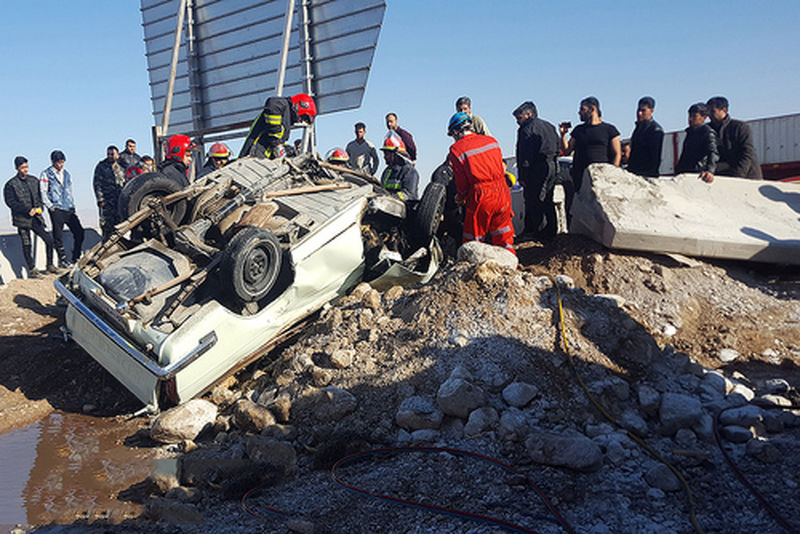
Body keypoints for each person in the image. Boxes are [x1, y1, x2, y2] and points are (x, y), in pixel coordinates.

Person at [447, 112, 514, 254]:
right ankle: (510, 269)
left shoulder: (456, 149)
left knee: (473, 242)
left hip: (481, 195)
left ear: (455, 131)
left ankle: (472, 273)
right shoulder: (492, 141)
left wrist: (461, 197)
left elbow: (462, 181)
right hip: (502, 193)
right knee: (504, 236)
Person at [4, 157, 58, 278]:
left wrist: (39, 208)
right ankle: (32, 269)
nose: (25, 170)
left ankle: (50, 265)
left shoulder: (34, 181)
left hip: (36, 218)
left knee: (49, 240)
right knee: (27, 244)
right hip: (22, 219)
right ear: (17, 168)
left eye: (26, 167)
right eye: (22, 168)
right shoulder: (11, 185)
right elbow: (11, 202)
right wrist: (27, 210)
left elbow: (40, 197)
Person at [512, 101, 559, 239]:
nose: (518, 122)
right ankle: (551, 231)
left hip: (536, 169)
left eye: (519, 118)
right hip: (552, 166)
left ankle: (538, 233)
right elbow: (558, 146)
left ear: (528, 114)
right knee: (548, 200)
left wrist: (523, 176)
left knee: (535, 200)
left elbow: (525, 154)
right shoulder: (549, 126)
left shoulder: (526, 129)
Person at [560, 96, 622, 194]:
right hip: (580, 177)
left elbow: (617, 154)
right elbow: (567, 151)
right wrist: (563, 135)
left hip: (601, 177)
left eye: (582, 109)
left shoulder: (610, 130)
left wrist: (612, 174)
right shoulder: (578, 130)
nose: (579, 112)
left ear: (592, 109)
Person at [40, 150, 84, 267]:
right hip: (56, 208)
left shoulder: (67, 174)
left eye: (62, 162)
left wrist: (72, 205)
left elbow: (69, 191)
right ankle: (63, 259)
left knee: (79, 232)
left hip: (68, 208)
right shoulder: (46, 174)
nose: (60, 165)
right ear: (53, 162)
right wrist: (50, 206)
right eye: (58, 162)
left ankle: (76, 256)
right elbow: (43, 192)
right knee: (58, 235)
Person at [240, 93, 317, 159]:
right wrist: (277, 143)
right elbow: (273, 104)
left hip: (262, 158)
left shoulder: (286, 120)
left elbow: (275, 141)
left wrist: (288, 150)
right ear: (298, 106)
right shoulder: (282, 104)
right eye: (303, 117)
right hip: (252, 155)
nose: (301, 121)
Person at [706, 96, 762, 179]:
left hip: (747, 177)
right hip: (722, 177)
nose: (709, 115)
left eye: (712, 111)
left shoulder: (740, 127)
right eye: (708, 112)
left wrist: (738, 176)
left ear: (724, 110)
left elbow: (747, 153)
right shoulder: (707, 130)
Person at [675, 103, 719, 183]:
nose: (690, 119)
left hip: (698, 174)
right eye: (689, 116)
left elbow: (713, 152)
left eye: (694, 116)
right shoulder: (690, 132)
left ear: (704, 118)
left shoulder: (707, 132)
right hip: (685, 172)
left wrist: (710, 170)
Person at [93, 145, 127, 239]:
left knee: (120, 225)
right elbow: (97, 184)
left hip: (119, 200)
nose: (110, 156)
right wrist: (101, 199)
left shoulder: (122, 165)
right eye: (108, 154)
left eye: (112, 154)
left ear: (117, 154)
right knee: (107, 226)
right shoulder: (101, 166)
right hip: (107, 201)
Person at [627, 96, 664, 177]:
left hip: (646, 174)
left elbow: (655, 157)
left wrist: (650, 174)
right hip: (634, 172)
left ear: (651, 111)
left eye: (643, 110)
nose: (639, 113)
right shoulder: (638, 128)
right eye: (638, 110)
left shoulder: (655, 130)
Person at [378, 135, 418, 201]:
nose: (384, 157)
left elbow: (408, 194)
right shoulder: (387, 171)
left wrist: (390, 198)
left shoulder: (410, 172)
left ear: (395, 155)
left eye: (386, 154)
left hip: (405, 209)